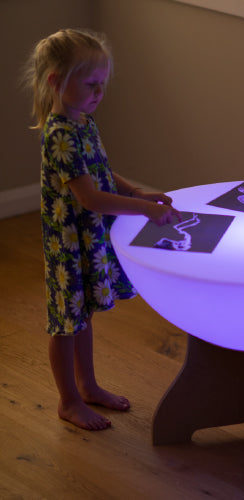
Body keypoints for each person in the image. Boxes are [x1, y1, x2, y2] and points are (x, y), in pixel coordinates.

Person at [25, 28, 180, 430]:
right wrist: (143, 210)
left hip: (88, 239)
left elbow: (100, 171)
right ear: (57, 81)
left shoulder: (84, 123)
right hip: (68, 247)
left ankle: (88, 386)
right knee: (66, 323)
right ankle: (68, 400)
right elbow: (90, 198)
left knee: (84, 316)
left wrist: (135, 189)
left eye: (102, 85)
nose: (99, 92)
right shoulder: (60, 134)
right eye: (91, 83)